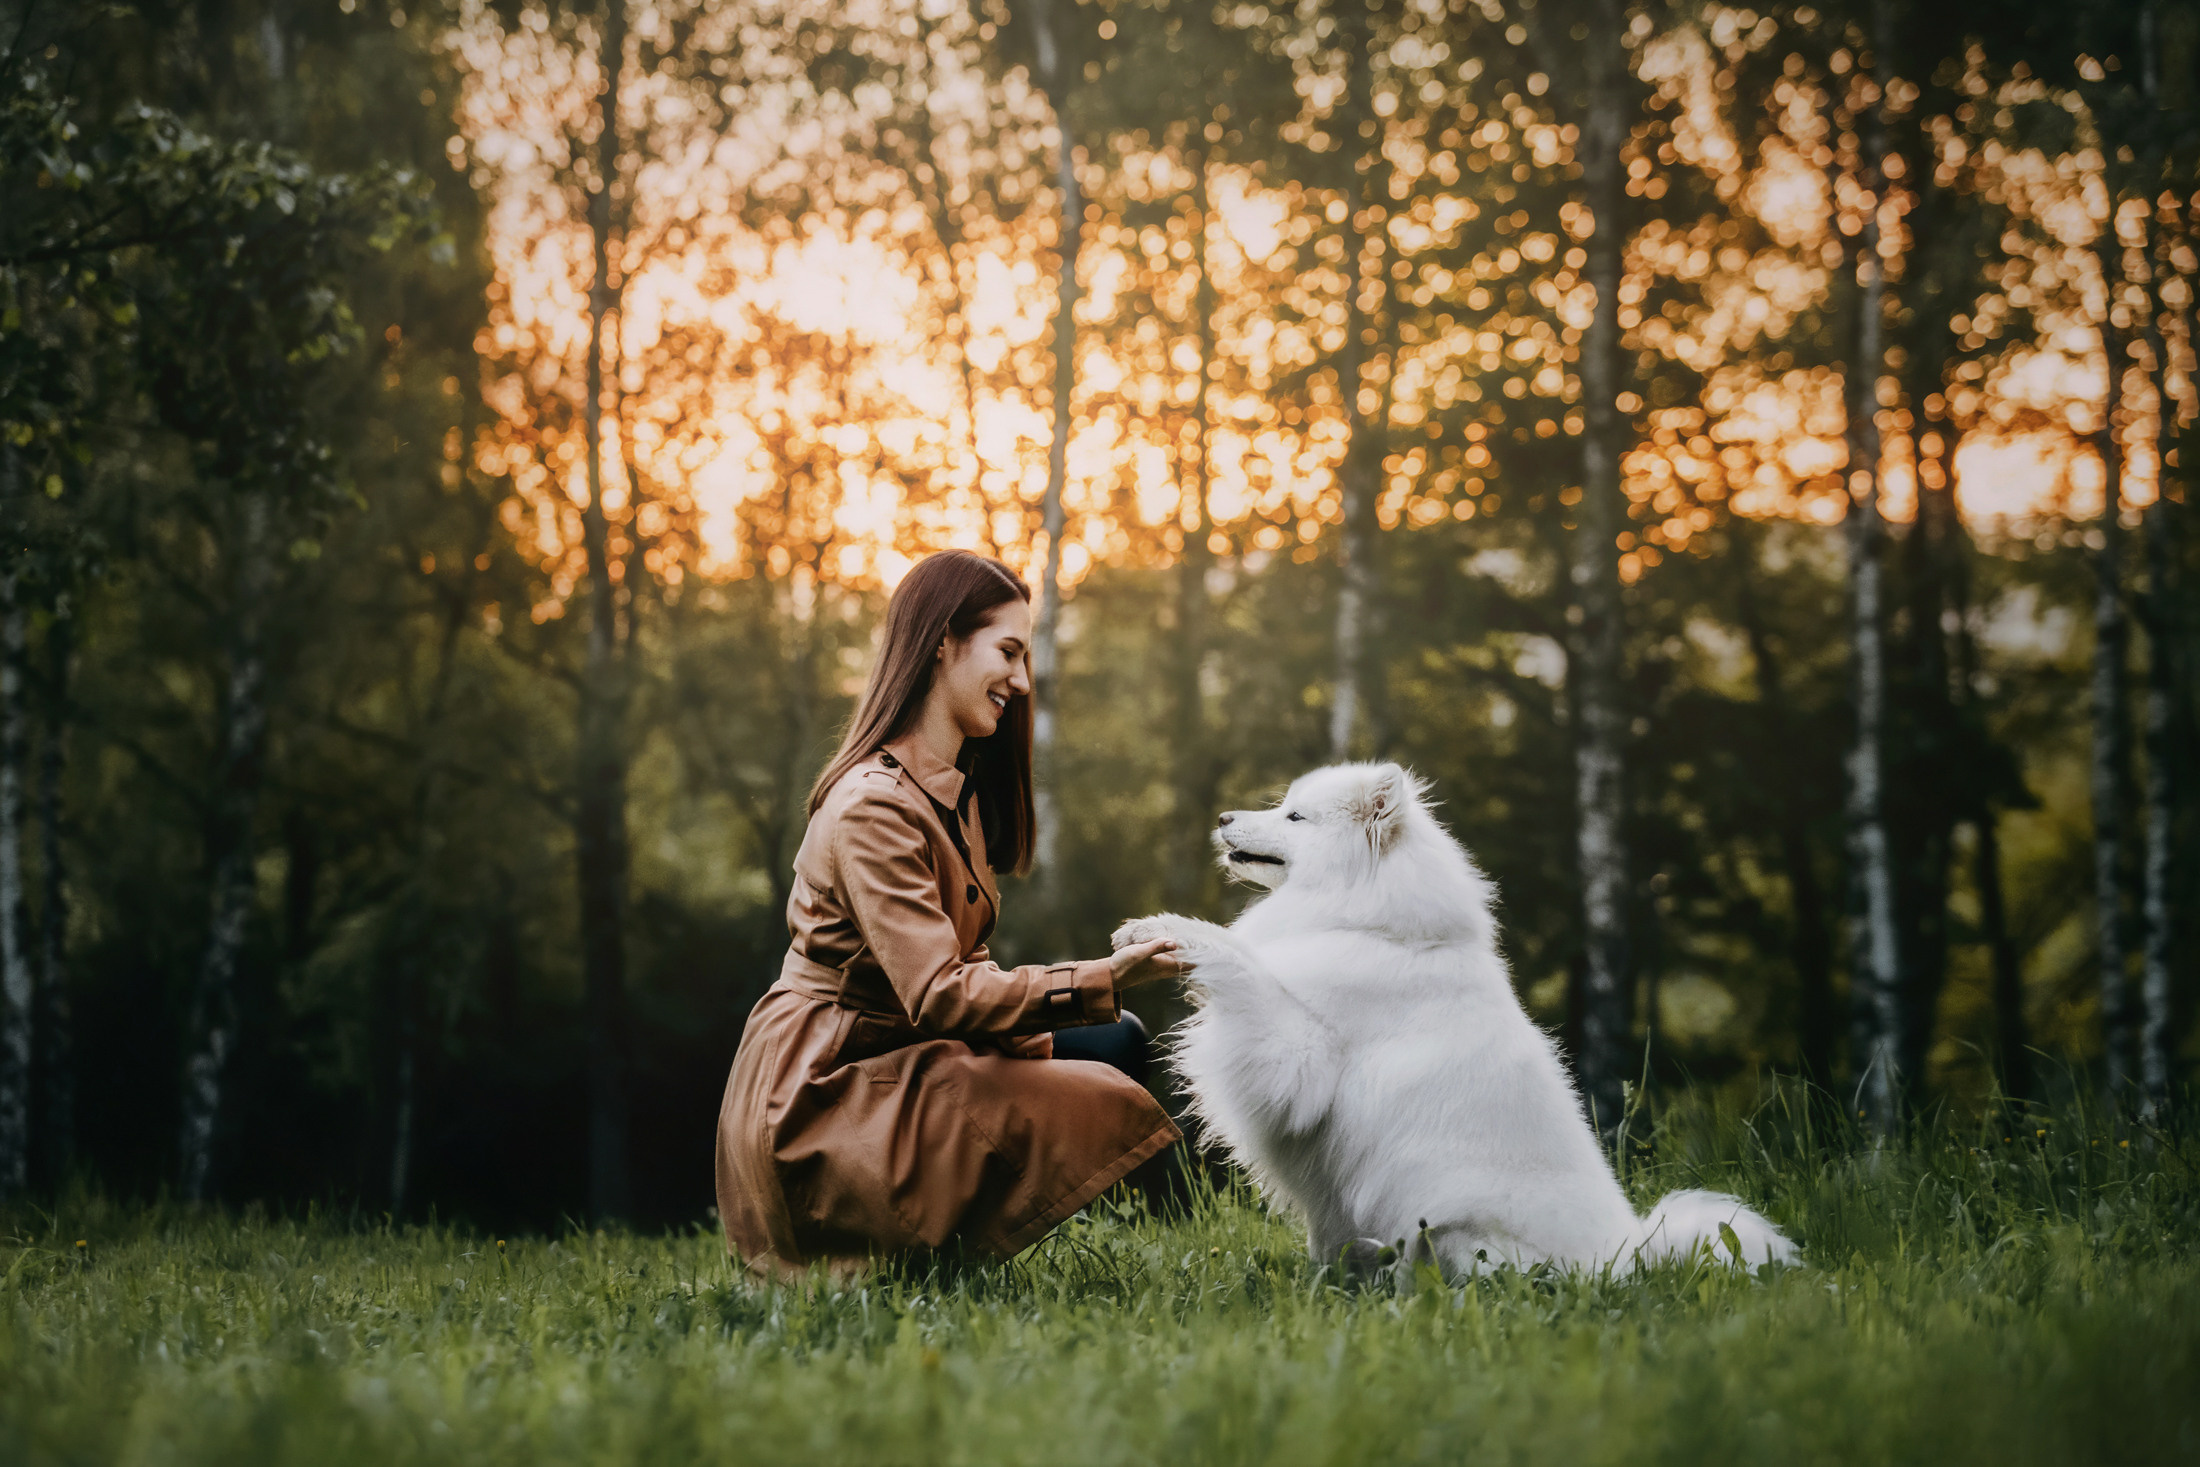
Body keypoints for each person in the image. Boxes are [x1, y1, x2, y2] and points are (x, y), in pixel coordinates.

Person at [715, 550, 1186, 1277]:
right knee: (1100, 1075)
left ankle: (966, 1251)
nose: (1021, 682)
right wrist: (1100, 977)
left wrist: (1063, 1015)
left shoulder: (948, 791)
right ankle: (1176, 1271)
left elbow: (961, 973)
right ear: (943, 641)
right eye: (1008, 652)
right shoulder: (873, 807)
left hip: (900, 1055)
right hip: (824, 1093)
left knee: (1116, 1041)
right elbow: (938, 992)